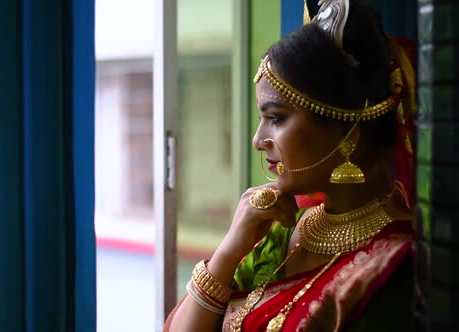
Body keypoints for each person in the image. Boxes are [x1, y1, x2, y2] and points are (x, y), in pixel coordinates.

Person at [164, 0, 417, 331]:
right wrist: (229, 250)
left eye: (276, 118)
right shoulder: (285, 229)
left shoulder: (392, 267)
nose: (258, 140)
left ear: (346, 125)